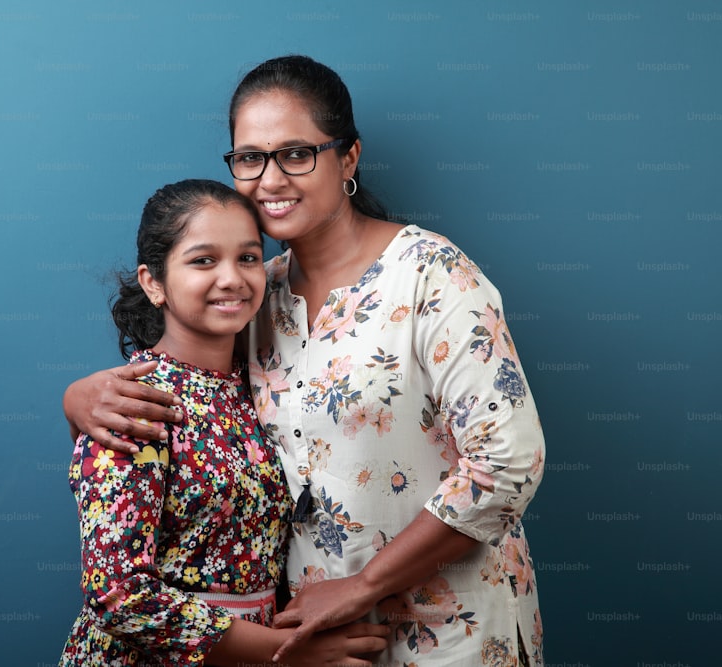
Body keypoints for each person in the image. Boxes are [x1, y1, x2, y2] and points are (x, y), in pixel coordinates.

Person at [64, 56, 546, 666]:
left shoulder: (429, 275)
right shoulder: (255, 296)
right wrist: (77, 401)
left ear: (347, 159)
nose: (270, 179)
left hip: (448, 624)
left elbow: (508, 462)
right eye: (249, 157)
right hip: (306, 642)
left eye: (296, 153)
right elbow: (187, 400)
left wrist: (361, 586)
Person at [58, 178, 388, 667]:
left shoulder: (262, 384)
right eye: (203, 260)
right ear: (153, 283)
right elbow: (118, 594)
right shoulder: (132, 403)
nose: (232, 278)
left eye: (249, 258)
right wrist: (288, 653)